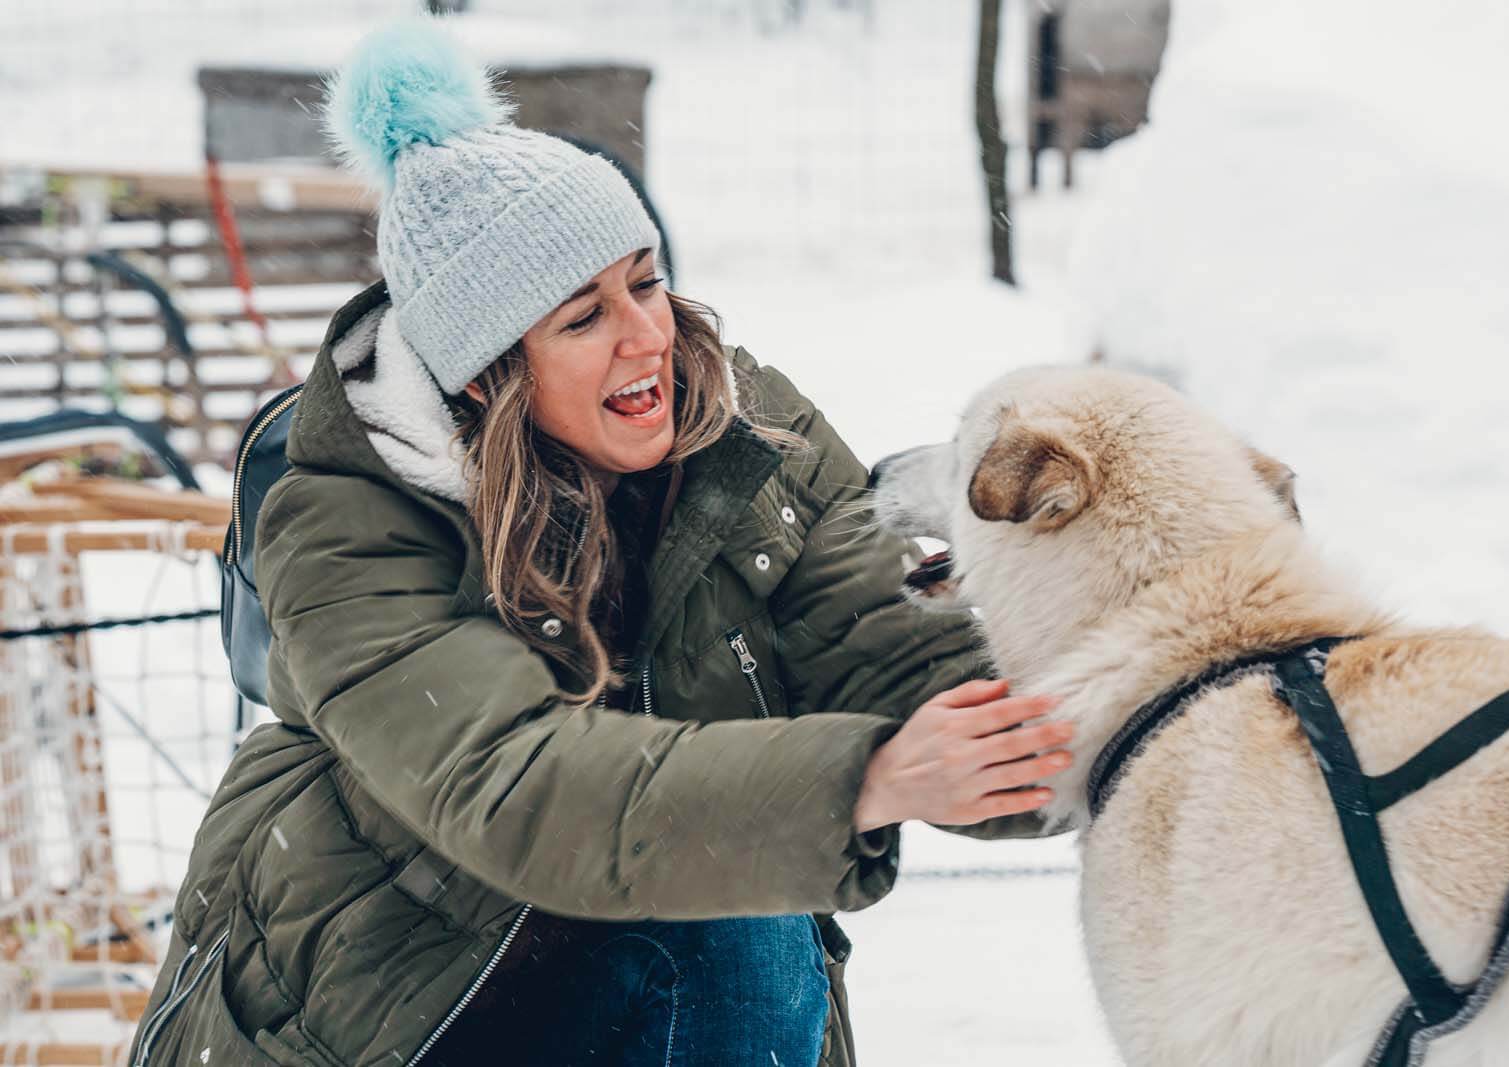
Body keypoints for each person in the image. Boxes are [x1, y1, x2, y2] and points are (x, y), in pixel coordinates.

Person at [129, 22, 1073, 1067]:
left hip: (676, 955)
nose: (647, 335)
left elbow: (890, 634)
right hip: (397, 996)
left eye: (645, 278)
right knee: (732, 902)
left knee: (737, 904)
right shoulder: (348, 523)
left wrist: (1113, 726)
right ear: (485, 375)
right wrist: (865, 778)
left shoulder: (748, 435)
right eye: (582, 317)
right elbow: (518, 787)